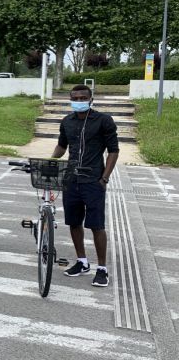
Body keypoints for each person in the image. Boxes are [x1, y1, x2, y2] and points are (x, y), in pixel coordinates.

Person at [52, 84, 119, 288]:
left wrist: (104, 179)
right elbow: (62, 146)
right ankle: (82, 262)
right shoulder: (67, 122)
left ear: (90, 100)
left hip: (93, 181)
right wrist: (49, 161)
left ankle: (101, 268)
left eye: (83, 98)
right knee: (74, 223)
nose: (79, 101)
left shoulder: (103, 121)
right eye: (75, 98)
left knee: (97, 225)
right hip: (71, 180)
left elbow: (113, 151)